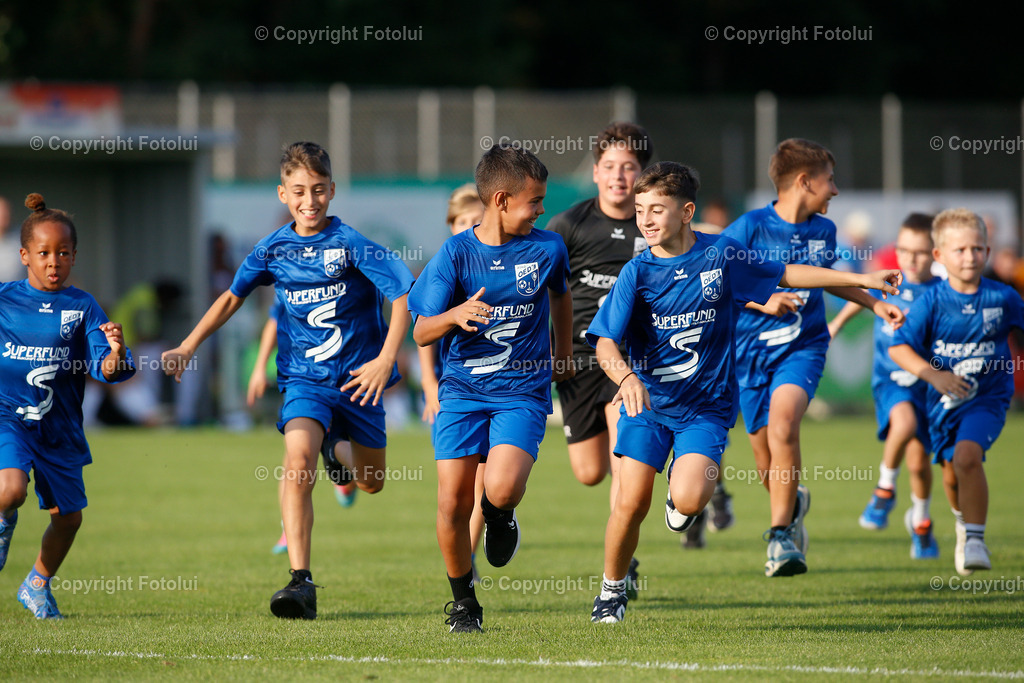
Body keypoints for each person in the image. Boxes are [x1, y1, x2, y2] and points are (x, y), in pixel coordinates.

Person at [587, 162, 901, 623]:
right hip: (649, 404)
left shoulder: (722, 255)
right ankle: (611, 591)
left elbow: (790, 274)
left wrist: (864, 281)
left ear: (687, 211)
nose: (646, 219)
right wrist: (627, 378)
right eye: (639, 210)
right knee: (630, 502)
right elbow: (605, 343)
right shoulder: (638, 272)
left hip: (706, 410)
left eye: (657, 209)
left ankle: (684, 495)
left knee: (692, 500)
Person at [162, 141, 413, 620]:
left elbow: (404, 293)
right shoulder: (272, 249)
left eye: (319, 190)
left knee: (373, 481)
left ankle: (338, 458)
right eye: (299, 191)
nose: (310, 201)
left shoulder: (353, 244)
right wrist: (188, 345)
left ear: (333, 190)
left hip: (360, 382)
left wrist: (385, 359)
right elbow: (231, 298)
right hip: (304, 381)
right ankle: (301, 582)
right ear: (283, 193)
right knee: (296, 461)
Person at [408, 143, 574, 633]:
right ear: (501, 200)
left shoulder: (547, 248)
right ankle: (464, 604)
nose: (542, 210)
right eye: (534, 201)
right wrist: (454, 315)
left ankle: (501, 515)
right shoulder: (456, 254)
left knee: (501, 487)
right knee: (451, 504)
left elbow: (561, 294)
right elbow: (420, 331)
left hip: (522, 390)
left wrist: (561, 351)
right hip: (462, 391)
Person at [722, 138, 904, 577]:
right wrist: (764, 303)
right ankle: (793, 502)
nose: (835, 191)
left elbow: (826, 279)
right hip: (749, 356)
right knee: (767, 465)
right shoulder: (748, 229)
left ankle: (781, 538)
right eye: (829, 181)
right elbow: (718, 285)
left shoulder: (823, 230)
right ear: (804, 182)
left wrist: (874, 303)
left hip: (803, 347)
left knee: (785, 422)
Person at [0, 193, 136, 619]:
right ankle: (3, 521)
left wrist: (115, 352)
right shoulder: (4, 300)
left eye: (62, 253)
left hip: (59, 428)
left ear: (74, 256)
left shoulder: (84, 307)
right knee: (11, 489)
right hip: (9, 416)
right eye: (43, 253)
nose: (53, 261)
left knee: (69, 519)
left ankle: (37, 584)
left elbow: (107, 368)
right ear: (25, 255)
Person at [545, 122, 653, 586]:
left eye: (629, 167)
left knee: (621, 454)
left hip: (625, 359)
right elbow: (541, 288)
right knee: (590, 472)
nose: (618, 176)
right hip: (574, 360)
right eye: (609, 166)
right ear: (594, 172)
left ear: (643, 175)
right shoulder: (568, 225)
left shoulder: (654, 224)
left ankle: (622, 564)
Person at [889, 208, 1024, 576]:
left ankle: (976, 539)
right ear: (939, 256)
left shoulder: (1004, 298)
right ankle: (964, 525)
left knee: (967, 457)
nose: (970, 257)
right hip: (943, 404)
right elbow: (898, 348)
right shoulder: (931, 302)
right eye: (961, 250)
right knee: (950, 473)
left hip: (987, 398)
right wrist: (934, 378)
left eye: (978, 248)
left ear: (988, 251)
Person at [828, 213, 941, 559]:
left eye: (920, 252)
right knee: (903, 423)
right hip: (892, 380)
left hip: (928, 384)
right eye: (904, 250)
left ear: (936, 254)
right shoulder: (892, 280)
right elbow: (860, 297)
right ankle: (884, 489)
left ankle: (920, 521)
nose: (910, 258)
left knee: (920, 463)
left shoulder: (942, 292)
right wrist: (835, 327)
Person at [246, 300, 360, 557]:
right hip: (302, 379)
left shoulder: (345, 280)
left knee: (349, 456)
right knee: (294, 460)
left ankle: (344, 477)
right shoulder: (293, 280)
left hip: (341, 377)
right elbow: (274, 324)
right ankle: (289, 527)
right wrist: (259, 369)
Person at [417, 183, 486, 580]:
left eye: (475, 221)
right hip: (453, 393)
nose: (469, 228)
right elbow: (425, 331)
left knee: (483, 486)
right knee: (455, 491)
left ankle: (471, 555)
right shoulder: (445, 267)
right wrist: (428, 384)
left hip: (496, 390)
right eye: (462, 222)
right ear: (451, 225)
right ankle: (469, 553)